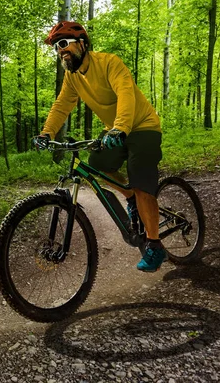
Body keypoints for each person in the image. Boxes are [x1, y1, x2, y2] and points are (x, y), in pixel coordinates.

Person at [34, 21, 166, 272]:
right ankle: (131, 199)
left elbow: (125, 93)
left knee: (140, 181)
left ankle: (155, 245)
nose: (60, 50)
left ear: (82, 44)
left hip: (142, 126)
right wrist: (46, 132)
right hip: (115, 129)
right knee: (96, 165)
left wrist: (121, 127)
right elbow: (62, 105)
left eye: (64, 44)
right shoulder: (72, 77)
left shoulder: (109, 63)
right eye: (56, 47)